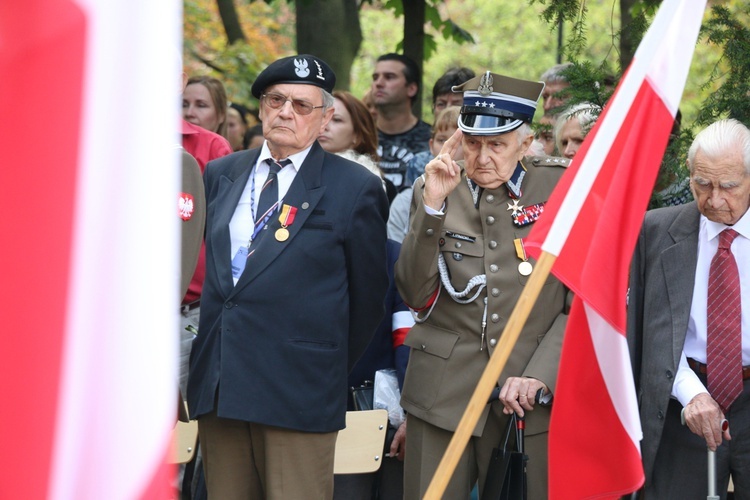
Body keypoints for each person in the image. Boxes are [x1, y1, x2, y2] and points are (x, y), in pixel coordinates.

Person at [186, 54, 389, 499]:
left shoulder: (354, 187)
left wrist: (319, 364)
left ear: (325, 119)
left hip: (298, 389)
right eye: (276, 100)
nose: (285, 112)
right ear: (260, 108)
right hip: (222, 387)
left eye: (301, 105)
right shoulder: (222, 172)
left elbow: (369, 298)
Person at [395, 71, 571, 499]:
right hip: (441, 395)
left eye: (497, 144)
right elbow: (413, 292)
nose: (482, 157)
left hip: (524, 397)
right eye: (472, 143)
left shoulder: (562, 187)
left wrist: (539, 375)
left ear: (526, 144)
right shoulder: (436, 186)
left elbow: (580, 302)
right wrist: (432, 208)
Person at [627, 118, 750, 499]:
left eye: (728, 186)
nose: (713, 199)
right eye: (702, 183)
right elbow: (651, 329)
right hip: (684, 403)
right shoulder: (656, 231)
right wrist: (690, 392)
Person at [388, 106, 463, 243]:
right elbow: (398, 256)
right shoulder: (405, 200)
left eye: (459, 141)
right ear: (431, 145)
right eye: (441, 140)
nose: (449, 147)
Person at [371, 53, 431, 191]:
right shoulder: (358, 134)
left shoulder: (432, 139)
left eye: (389, 77)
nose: (378, 83)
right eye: (375, 77)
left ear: (411, 89)